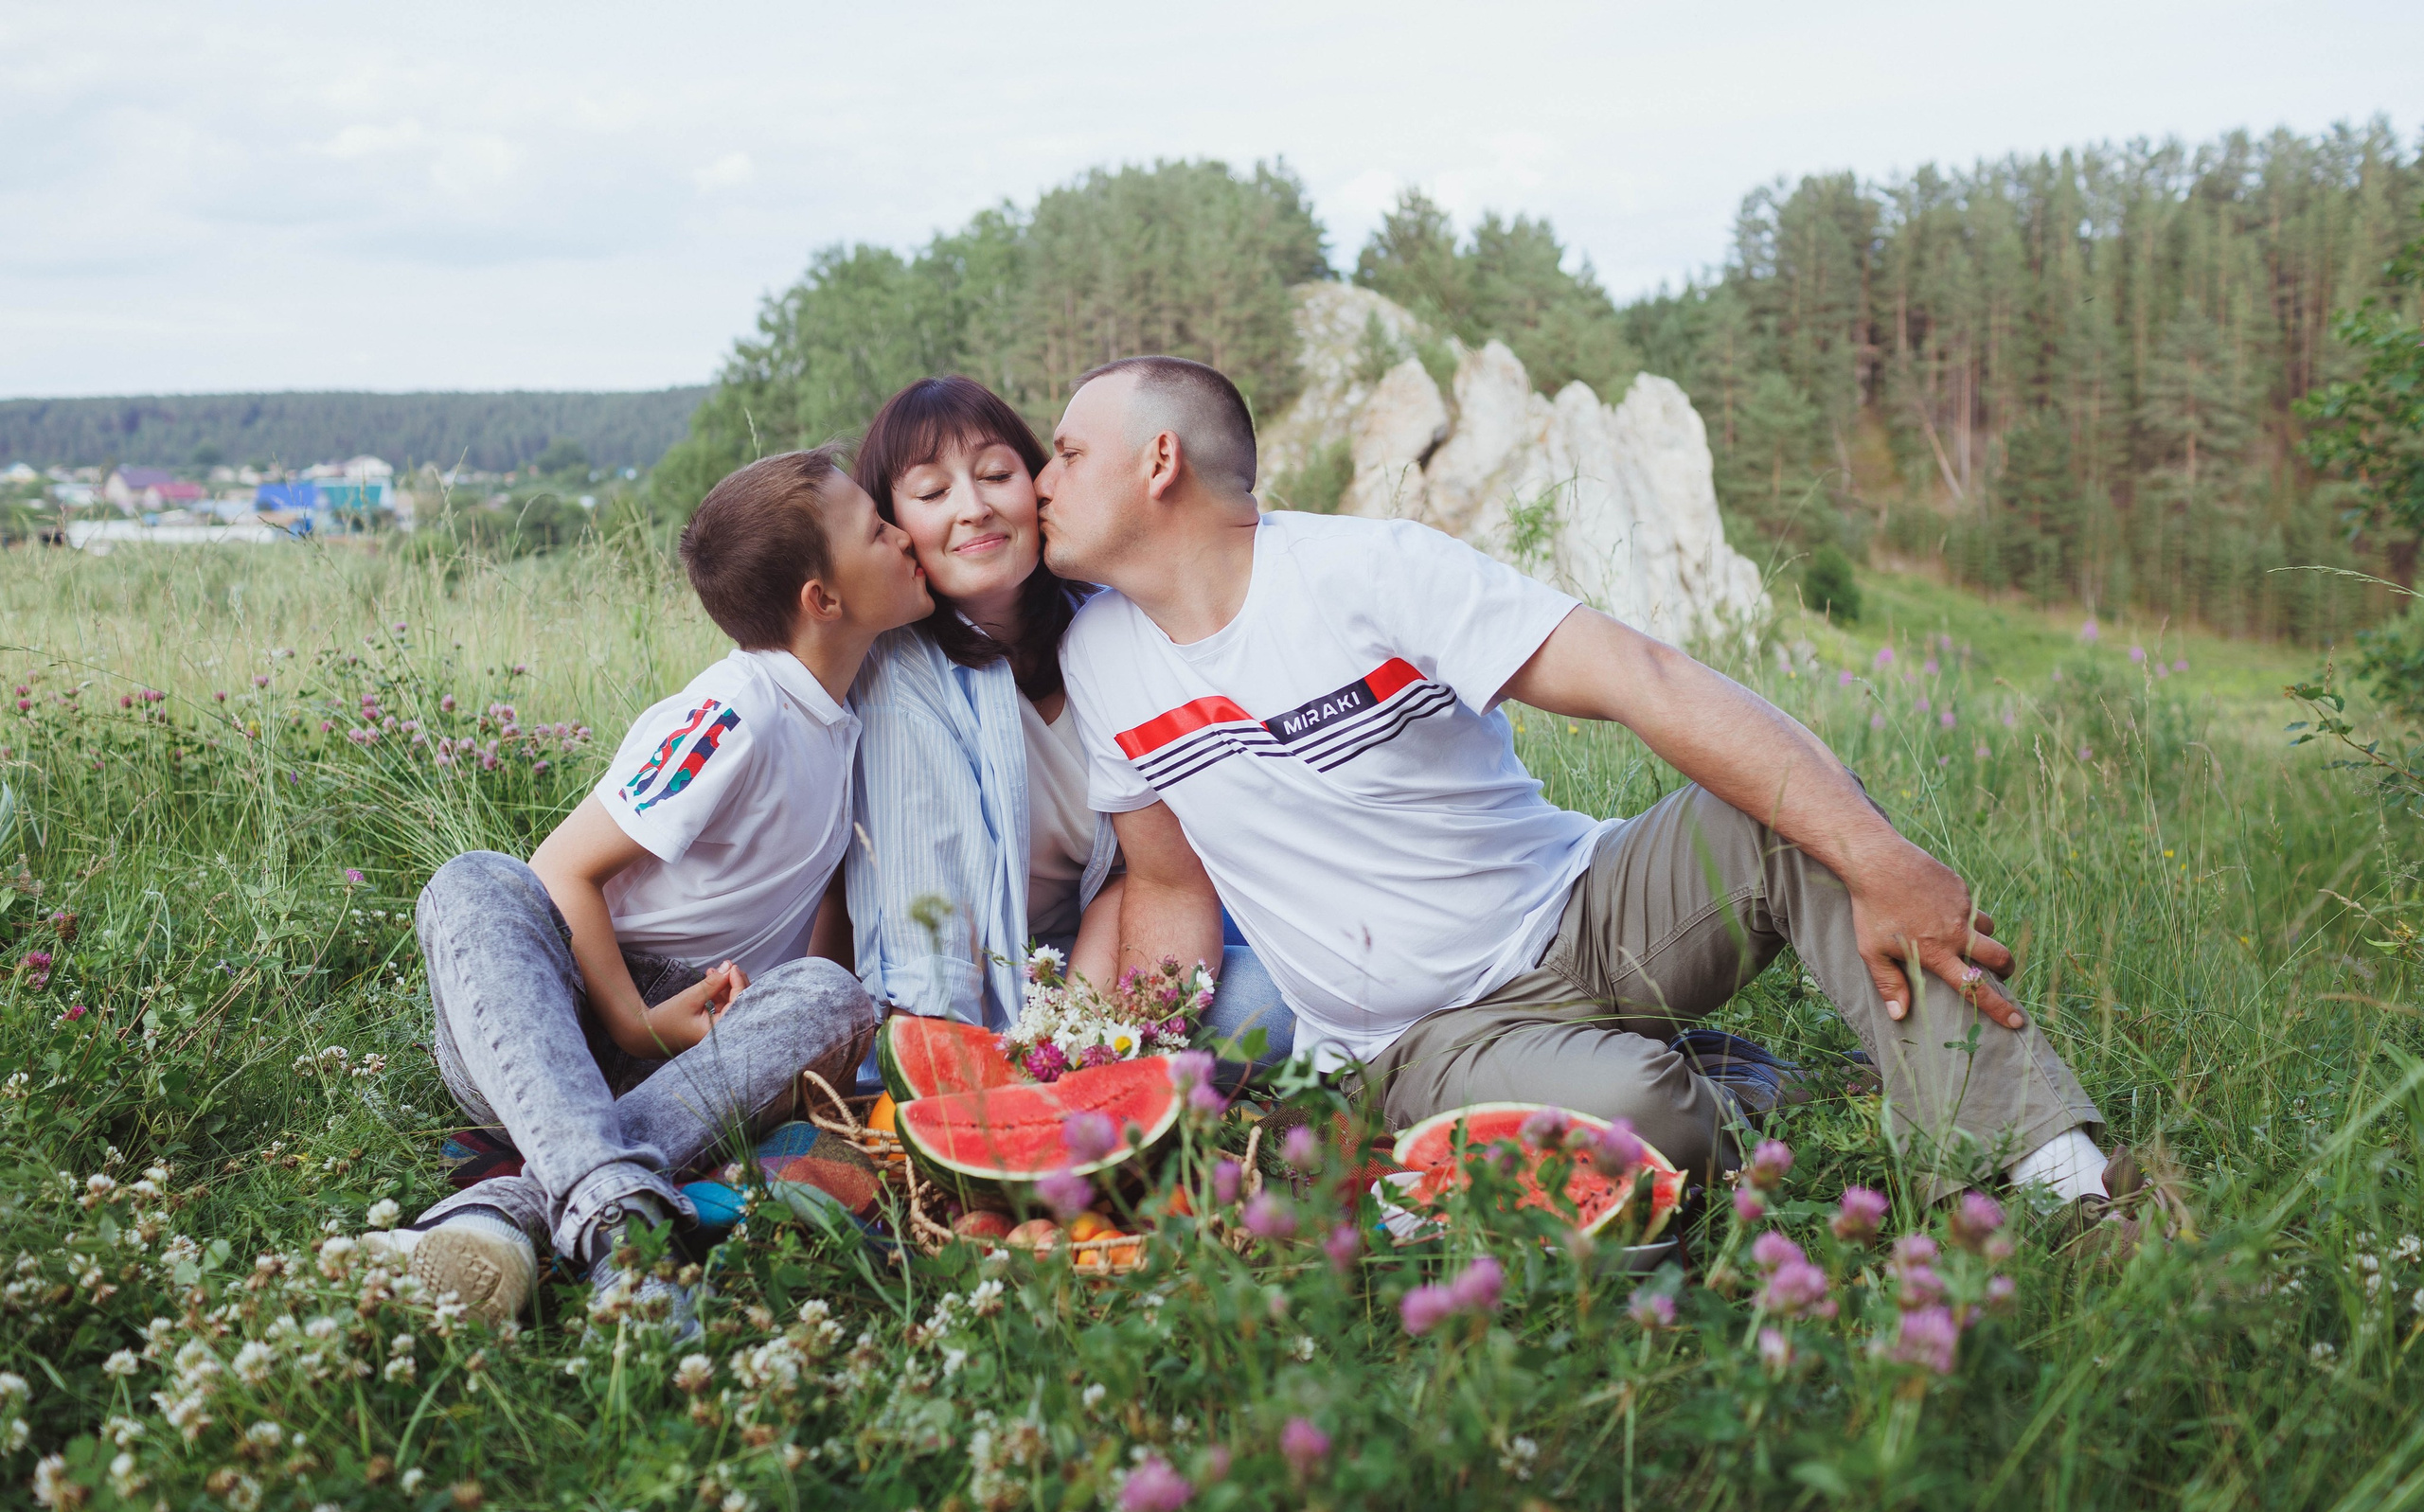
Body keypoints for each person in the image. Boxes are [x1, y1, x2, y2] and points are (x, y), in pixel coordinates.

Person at [1036, 354, 2123, 1221]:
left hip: (1582, 907)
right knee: (1646, 1114)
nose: (1042, 482)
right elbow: (1168, 889)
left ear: (1159, 460)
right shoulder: (1104, 659)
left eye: (1067, 453)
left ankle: (2047, 1184)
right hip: (1421, 1038)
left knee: (1791, 818)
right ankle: (1706, 1087)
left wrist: (1881, 861)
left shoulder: (1370, 573)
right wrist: (1131, 1099)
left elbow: (1643, 677)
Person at [377, 448, 934, 1332]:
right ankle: (625, 1226)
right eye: (878, 528)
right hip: (553, 1021)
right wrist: (636, 1019)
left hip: (698, 1043)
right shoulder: (735, 711)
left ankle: (526, 1211)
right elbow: (564, 867)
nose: (907, 534)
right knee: (476, 880)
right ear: (820, 600)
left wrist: (801, 1028)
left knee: (835, 993)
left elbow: (814, 921)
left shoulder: (847, 715)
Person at [840, 376, 1293, 1062]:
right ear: (894, 530)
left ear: (1041, 484)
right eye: (932, 493)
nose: (975, 508)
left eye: (997, 474)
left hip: (1133, 930)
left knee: (1322, 967)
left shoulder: (1106, 618)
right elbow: (922, 948)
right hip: (1004, 992)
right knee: (1277, 1007)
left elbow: (1138, 871)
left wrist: (1091, 1022)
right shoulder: (898, 675)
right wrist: (1045, 1051)